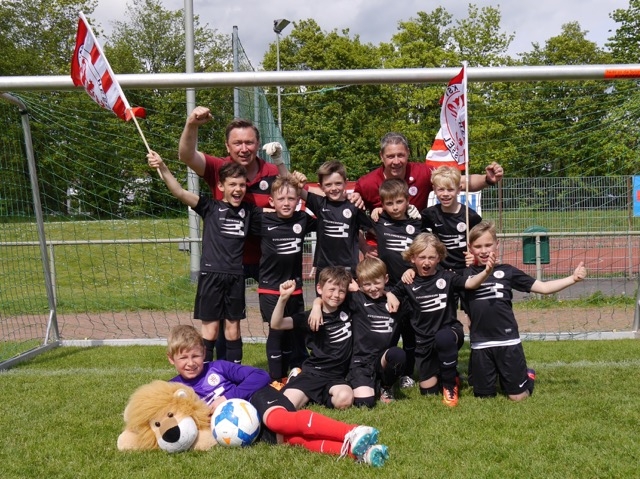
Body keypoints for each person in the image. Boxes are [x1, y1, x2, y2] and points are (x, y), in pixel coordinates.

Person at [167, 325, 389, 466]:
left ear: (204, 353)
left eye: (195, 356)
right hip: (245, 429)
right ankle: (360, 453)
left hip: (258, 399)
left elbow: (260, 375)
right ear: (171, 359)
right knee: (292, 440)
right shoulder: (172, 389)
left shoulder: (218, 368)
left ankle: (353, 431)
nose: (190, 363)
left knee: (279, 422)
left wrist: (229, 396)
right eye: (183, 358)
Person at [178, 107, 288, 359]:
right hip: (227, 264)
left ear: (258, 144)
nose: (244, 148)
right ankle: (219, 370)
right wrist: (191, 123)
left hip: (266, 259)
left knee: (280, 309)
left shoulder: (271, 173)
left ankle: (289, 364)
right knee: (220, 324)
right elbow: (186, 155)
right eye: (237, 143)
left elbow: (293, 194)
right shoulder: (219, 168)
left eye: (249, 142)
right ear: (227, 146)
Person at [148, 151, 256, 364]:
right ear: (221, 186)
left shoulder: (249, 211)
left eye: (242, 185)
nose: (238, 189)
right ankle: (204, 374)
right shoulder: (210, 207)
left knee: (233, 329)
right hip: (211, 275)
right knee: (211, 330)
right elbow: (179, 192)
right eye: (232, 184)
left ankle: (233, 373)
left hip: (235, 276)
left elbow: (276, 211)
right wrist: (162, 166)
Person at [463, 221, 587, 401]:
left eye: (488, 245)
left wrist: (573, 279)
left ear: (497, 244)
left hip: (507, 341)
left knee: (518, 397)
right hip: (481, 343)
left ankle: (526, 376)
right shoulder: (465, 274)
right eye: (478, 246)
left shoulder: (507, 272)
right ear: (470, 248)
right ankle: (497, 376)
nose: (483, 251)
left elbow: (544, 288)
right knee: (483, 397)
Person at [387, 233, 495, 407]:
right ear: (413, 258)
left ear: (439, 258)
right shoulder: (408, 281)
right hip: (424, 342)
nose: (426, 262)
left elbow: (471, 283)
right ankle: (450, 374)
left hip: (449, 333)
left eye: (431, 257)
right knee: (428, 391)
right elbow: (390, 292)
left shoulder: (447, 277)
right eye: (422, 257)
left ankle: (450, 385)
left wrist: (486, 271)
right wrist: (390, 295)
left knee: (443, 338)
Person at [250, 174, 315, 385]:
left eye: (291, 198)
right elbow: (245, 210)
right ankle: (276, 378)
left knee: (293, 332)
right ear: (271, 201)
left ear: (298, 200)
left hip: (295, 289)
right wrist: (264, 210)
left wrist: (304, 188)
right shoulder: (262, 220)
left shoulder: (302, 219)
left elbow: (324, 210)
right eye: (281, 199)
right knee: (276, 330)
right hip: (270, 288)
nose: (286, 203)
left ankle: (292, 373)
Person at [351, 132, 504, 213]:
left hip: (415, 242)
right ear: (381, 156)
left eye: (400, 155)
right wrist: (366, 246)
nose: (396, 161)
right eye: (390, 156)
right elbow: (350, 210)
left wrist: (487, 179)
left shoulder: (423, 172)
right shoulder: (366, 183)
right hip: (380, 245)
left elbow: (459, 182)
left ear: (408, 153)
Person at [271, 267, 355, 410]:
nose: (336, 295)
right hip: (313, 373)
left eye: (341, 291)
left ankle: (316, 396)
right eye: (331, 290)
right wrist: (283, 298)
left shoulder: (349, 307)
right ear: (319, 288)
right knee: (286, 405)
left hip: (337, 376)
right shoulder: (309, 317)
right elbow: (276, 324)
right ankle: (298, 380)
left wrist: (317, 303)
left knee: (344, 400)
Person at [368, 178, 422, 390]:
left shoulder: (417, 223)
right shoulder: (379, 220)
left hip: (412, 288)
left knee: (410, 335)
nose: (395, 207)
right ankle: (383, 372)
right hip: (389, 289)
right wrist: (373, 212)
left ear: (407, 201)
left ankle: (407, 374)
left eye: (399, 202)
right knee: (388, 334)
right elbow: (355, 218)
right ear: (382, 204)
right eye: (389, 203)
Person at [291, 160, 371, 283]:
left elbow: (374, 229)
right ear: (321, 186)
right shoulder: (319, 204)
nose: (334, 188)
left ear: (345, 182)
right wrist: (280, 163)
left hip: (348, 270)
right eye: (328, 185)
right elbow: (297, 189)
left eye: (338, 183)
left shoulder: (354, 206)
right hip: (324, 270)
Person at [346, 258, 405, 406]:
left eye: (377, 283)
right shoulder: (356, 299)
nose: (372, 288)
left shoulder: (395, 301)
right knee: (365, 403)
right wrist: (316, 305)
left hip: (382, 360)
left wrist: (388, 294)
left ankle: (386, 385)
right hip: (361, 361)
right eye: (367, 284)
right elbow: (332, 291)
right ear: (359, 283)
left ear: (386, 279)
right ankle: (363, 382)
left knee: (398, 354)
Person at [421, 165, 483, 274]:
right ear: (434, 190)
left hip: (464, 269)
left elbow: (481, 243)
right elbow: (417, 231)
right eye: (441, 189)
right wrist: (410, 213)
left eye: (450, 190)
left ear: (459, 189)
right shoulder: (430, 214)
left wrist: (475, 257)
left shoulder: (470, 216)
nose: (445, 194)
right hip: (440, 271)